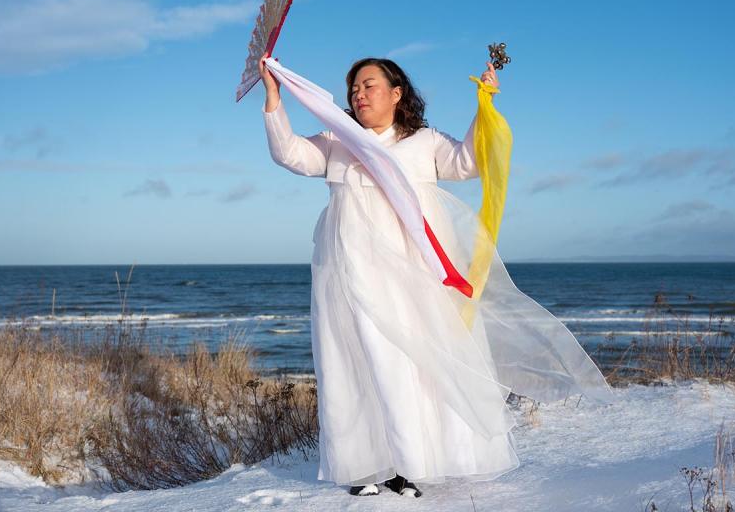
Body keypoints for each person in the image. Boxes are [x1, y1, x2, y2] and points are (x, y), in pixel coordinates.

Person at [258, 55, 611, 498]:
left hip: (414, 275)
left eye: (368, 86)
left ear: (396, 92)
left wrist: (483, 105)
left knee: (413, 364)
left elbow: (467, 162)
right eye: (353, 89)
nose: (358, 95)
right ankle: (365, 466)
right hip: (352, 273)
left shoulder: (423, 141)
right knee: (355, 362)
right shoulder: (338, 140)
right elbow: (291, 154)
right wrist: (274, 98)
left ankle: (411, 463)